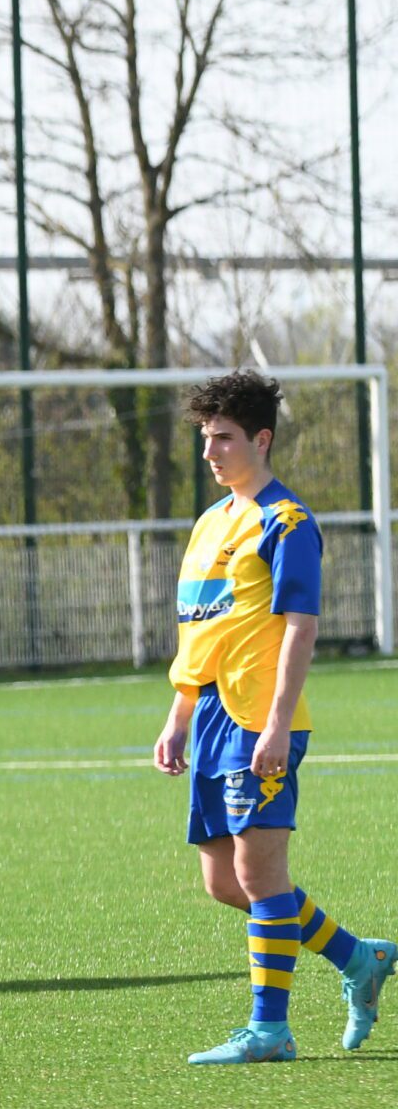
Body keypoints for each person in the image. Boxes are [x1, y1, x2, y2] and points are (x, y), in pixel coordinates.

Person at [151, 370, 393, 1064]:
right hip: (211, 720)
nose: (210, 452)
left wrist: (279, 725)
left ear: (261, 439)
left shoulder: (288, 523)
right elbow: (201, 632)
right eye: (205, 438)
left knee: (260, 878)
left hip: (260, 717)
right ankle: (359, 957)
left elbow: (300, 628)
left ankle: (270, 1030)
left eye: (223, 438)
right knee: (226, 883)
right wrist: (178, 714)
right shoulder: (209, 524)